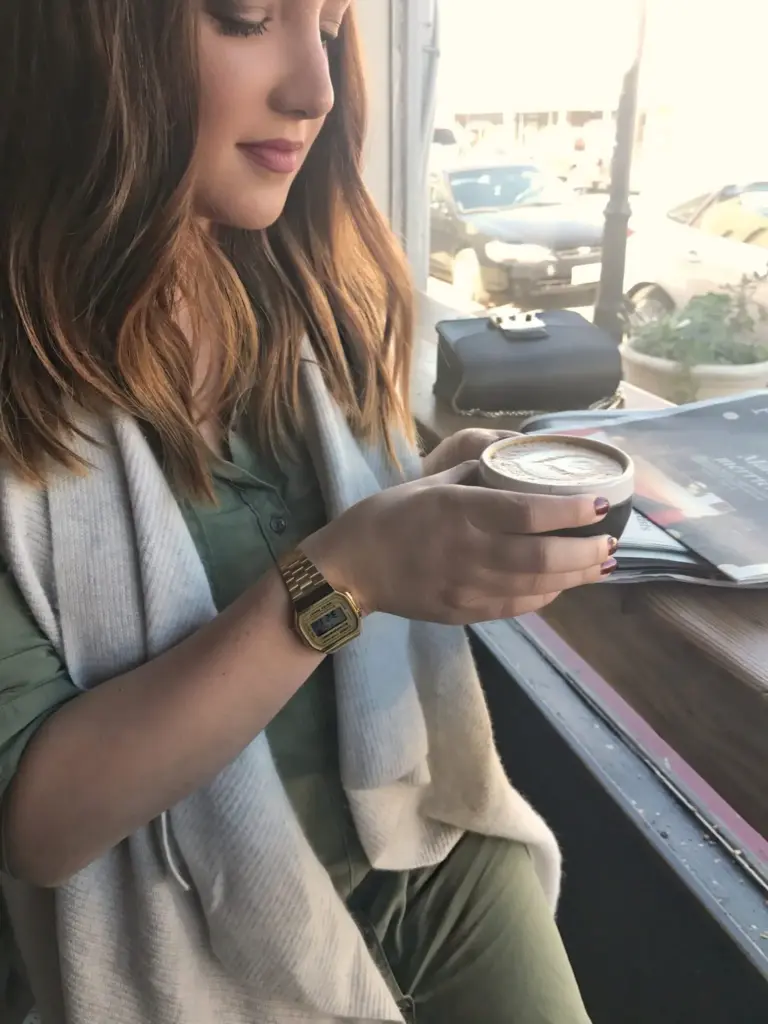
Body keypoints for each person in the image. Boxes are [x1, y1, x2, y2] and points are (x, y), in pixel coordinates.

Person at [0, 2, 616, 1022]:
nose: (316, 89)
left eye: (329, 24)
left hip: (424, 837)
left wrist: (431, 501)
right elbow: (43, 822)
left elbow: (304, 528)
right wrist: (345, 579)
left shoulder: (301, 280)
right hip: (191, 929)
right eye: (247, 17)